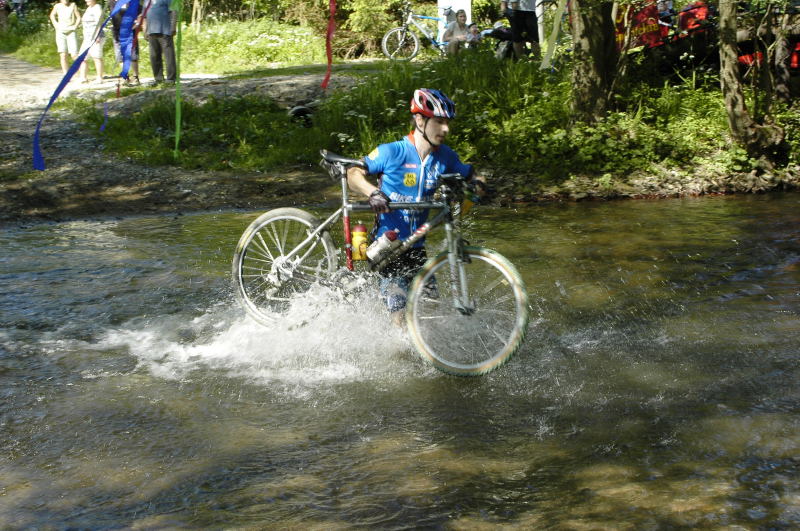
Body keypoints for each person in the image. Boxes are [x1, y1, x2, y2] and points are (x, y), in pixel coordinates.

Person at [346, 88, 486, 324]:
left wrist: (480, 187)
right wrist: (373, 192)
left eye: (448, 123)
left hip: (417, 249)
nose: (446, 129)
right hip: (388, 248)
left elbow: (472, 176)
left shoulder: (446, 158)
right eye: (439, 122)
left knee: (431, 316)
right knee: (399, 320)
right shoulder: (392, 151)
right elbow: (353, 173)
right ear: (420, 120)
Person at [107, 0, 141, 86]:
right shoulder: (111, 3)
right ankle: (125, 78)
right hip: (117, 32)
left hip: (129, 31)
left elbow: (140, 12)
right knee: (120, 55)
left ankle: (135, 77)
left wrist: (136, 24)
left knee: (133, 53)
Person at [143, 0, 177, 85]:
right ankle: (158, 79)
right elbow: (144, 17)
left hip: (165, 30)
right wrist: (144, 31)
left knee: (169, 55)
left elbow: (173, 11)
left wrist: (173, 26)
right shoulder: (146, 1)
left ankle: (171, 79)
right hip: (151, 31)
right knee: (154, 56)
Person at [49, 0, 81, 74]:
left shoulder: (73, 5)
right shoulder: (57, 6)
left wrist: (75, 26)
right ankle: (65, 74)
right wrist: (55, 24)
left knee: (74, 55)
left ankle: (81, 73)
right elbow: (52, 15)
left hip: (71, 31)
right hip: (60, 32)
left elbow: (78, 17)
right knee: (63, 54)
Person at [78, 0, 104, 84]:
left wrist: (97, 35)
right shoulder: (89, 8)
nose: (86, 0)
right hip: (87, 37)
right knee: (82, 57)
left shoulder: (97, 8)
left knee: (96, 57)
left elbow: (99, 22)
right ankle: (83, 77)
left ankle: (99, 78)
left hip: (95, 37)